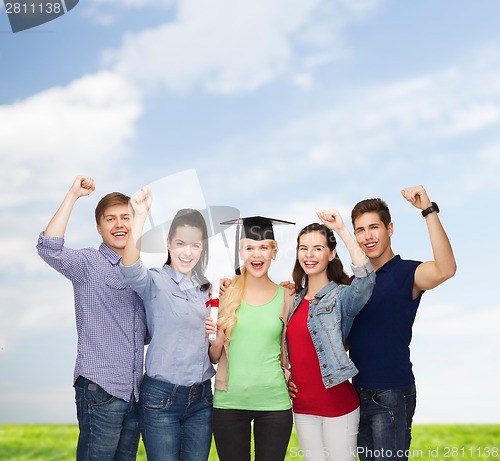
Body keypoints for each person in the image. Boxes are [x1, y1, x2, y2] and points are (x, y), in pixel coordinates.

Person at [36, 175, 148, 461]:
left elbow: (148, 333)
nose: (119, 225)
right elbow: (49, 247)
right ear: (99, 228)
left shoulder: (141, 274)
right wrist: (73, 194)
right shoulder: (88, 263)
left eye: (125, 218)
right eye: (110, 219)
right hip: (101, 390)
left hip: (134, 393)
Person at [348, 185, 457, 461]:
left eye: (374, 227)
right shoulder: (354, 283)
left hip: (392, 394)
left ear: (390, 229)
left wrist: (428, 210)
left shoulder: (407, 273)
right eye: (360, 230)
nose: (367, 236)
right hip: (355, 393)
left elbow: (446, 269)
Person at [119, 187, 215, 461]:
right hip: (160, 401)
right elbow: (128, 268)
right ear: (169, 244)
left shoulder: (207, 291)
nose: (188, 252)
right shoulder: (154, 282)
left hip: (201, 400)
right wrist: (140, 215)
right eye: (181, 244)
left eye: (195, 245)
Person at [286, 210, 375, 461]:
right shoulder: (292, 301)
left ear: (331, 253)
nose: (309, 255)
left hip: (338, 406)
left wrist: (342, 231)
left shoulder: (341, 297)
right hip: (302, 408)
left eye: (317, 248)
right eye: (303, 248)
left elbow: (366, 279)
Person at [206, 216, 295, 461]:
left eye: (264, 247)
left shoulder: (287, 297)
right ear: (241, 252)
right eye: (249, 248)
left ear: (274, 252)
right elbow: (214, 356)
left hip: (274, 404)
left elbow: (295, 346)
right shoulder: (224, 294)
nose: (257, 255)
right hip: (229, 404)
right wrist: (217, 337)